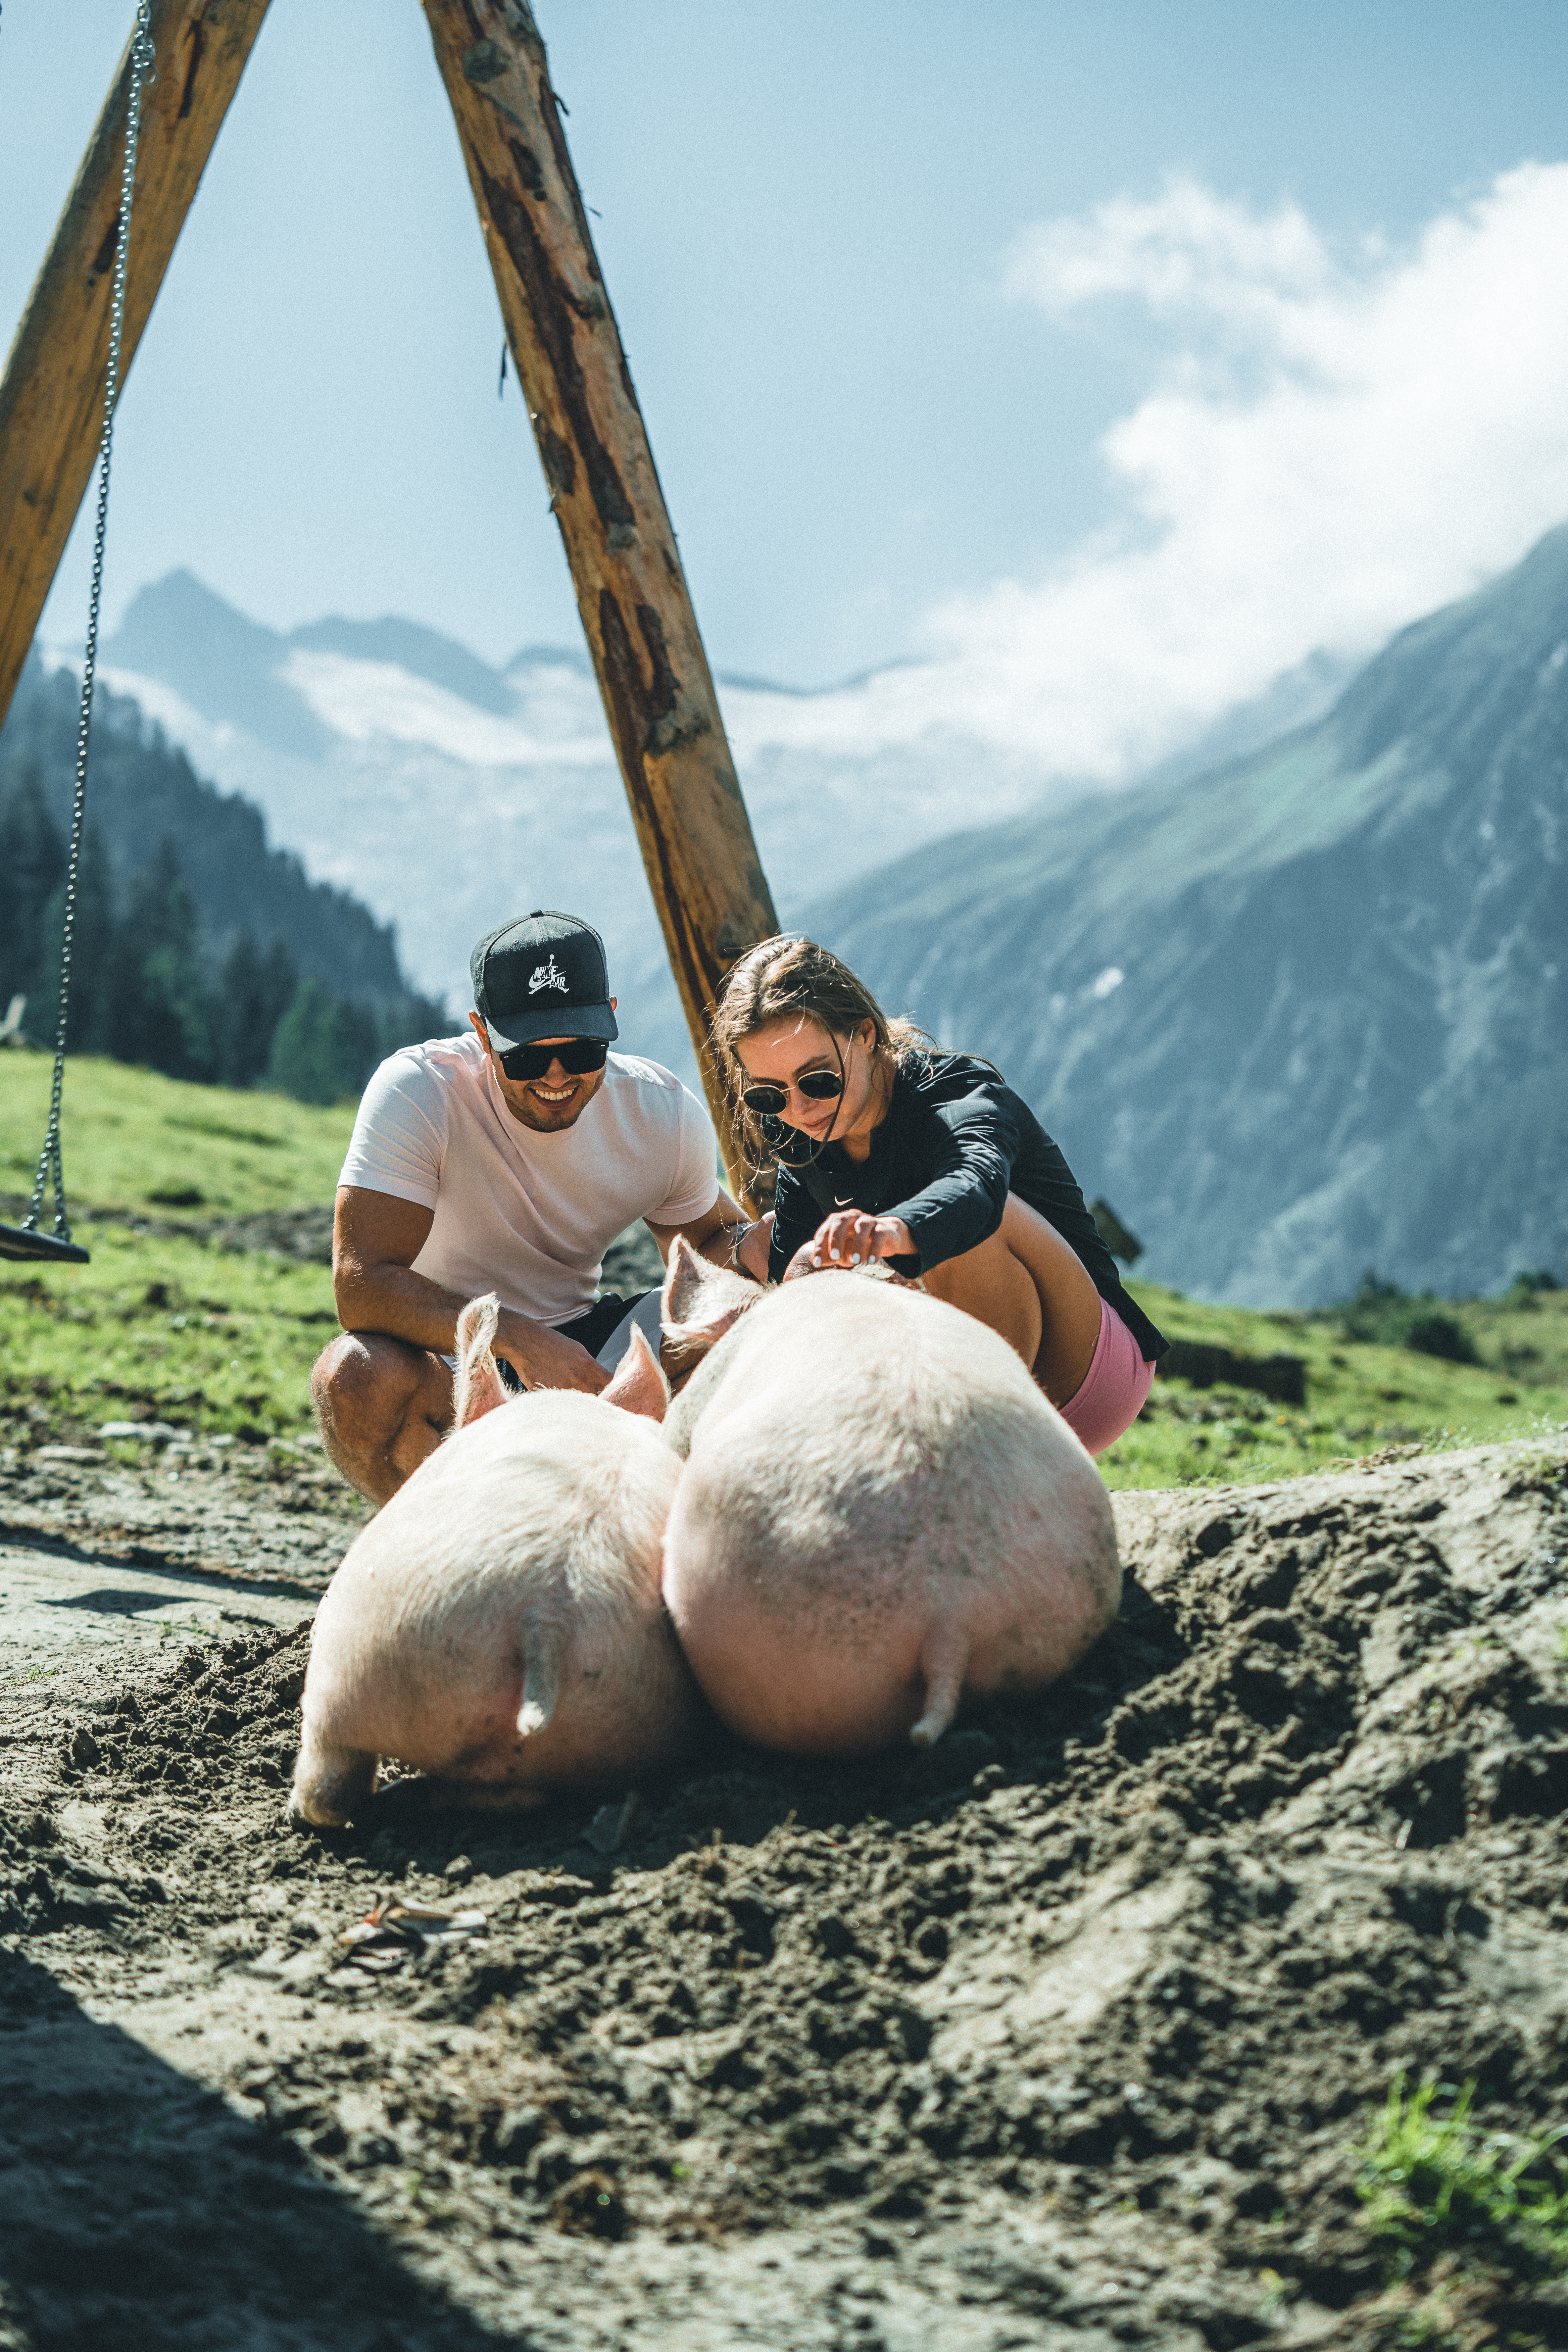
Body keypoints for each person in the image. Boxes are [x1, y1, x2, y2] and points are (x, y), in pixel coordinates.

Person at [313, 911, 746, 1502]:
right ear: (482, 1033)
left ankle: (647, 1530)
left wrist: (768, 1251)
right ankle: (447, 1539)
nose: (557, 1075)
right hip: (446, 1355)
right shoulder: (419, 1090)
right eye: (526, 1057)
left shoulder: (661, 1111)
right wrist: (513, 1336)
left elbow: (713, 1245)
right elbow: (361, 1286)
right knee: (355, 1376)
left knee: (740, 1328)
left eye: (583, 1050)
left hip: (590, 1346)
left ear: (611, 1019)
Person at [710, 935, 1166, 1456]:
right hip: (947, 1378)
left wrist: (892, 1232)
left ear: (865, 1035)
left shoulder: (956, 1095)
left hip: (1086, 1374)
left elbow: (977, 1184)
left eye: (818, 1080)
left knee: (968, 1226)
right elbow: (793, 1288)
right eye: (768, 1094)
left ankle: (977, 1458)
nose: (799, 1109)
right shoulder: (802, 1141)